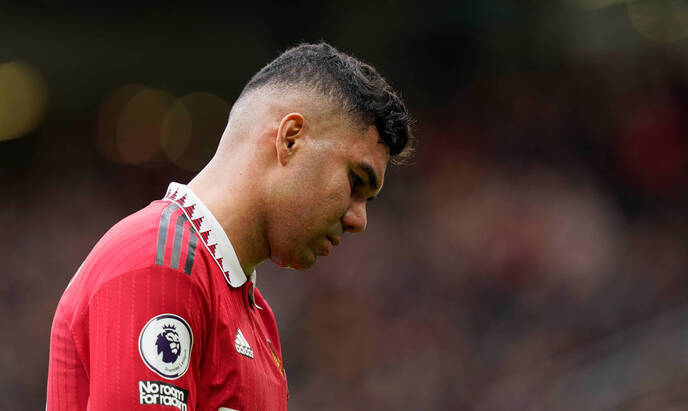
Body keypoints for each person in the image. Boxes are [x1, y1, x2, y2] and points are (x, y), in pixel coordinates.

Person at [46, 42, 413, 410]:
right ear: (290, 139)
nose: (358, 220)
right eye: (355, 181)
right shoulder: (159, 264)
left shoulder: (255, 315)